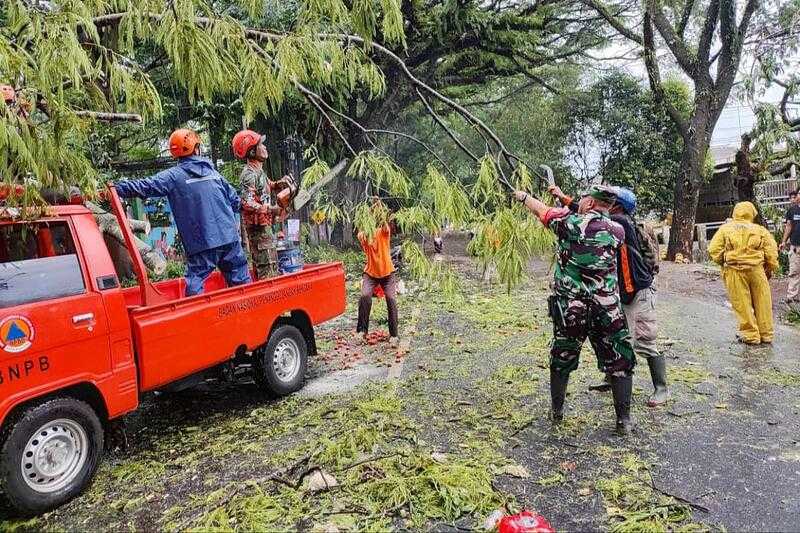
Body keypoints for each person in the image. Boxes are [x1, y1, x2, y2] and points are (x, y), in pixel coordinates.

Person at [514, 185, 636, 434]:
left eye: (582, 200)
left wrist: (524, 197)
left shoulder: (568, 224)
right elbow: (575, 215)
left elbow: (543, 211)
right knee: (619, 359)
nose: (579, 203)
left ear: (590, 203)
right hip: (607, 311)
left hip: (572, 309)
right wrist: (566, 199)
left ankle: (557, 412)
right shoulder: (617, 230)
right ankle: (624, 420)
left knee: (562, 357)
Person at [549, 185, 668, 406]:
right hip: (620, 292)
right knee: (613, 338)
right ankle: (610, 379)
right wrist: (563, 198)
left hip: (639, 291)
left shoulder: (619, 223)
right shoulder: (612, 223)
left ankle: (661, 388)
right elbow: (584, 212)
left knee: (642, 339)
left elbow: (584, 214)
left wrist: (565, 202)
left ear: (617, 206)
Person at [114, 128, 250, 296]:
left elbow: (145, 186)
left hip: (202, 243)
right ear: (196, 148)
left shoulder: (173, 177)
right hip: (229, 239)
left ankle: (198, 320)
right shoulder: (214, 173)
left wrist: (115, 188)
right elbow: (236, 202)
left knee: (195, 285)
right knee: (243, 285)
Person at [708, 201, 779, 344]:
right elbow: (771, 252)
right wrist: (770, 268)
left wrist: (724, 260)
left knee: (742, 304)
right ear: (752, 213)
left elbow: (713, 249)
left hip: (734, 271)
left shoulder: (725, 229)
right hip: (757, 271)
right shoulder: (760, 230)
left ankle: (751, 335)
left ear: (735, 213)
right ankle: (766, 334)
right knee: (763, 302)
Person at [232, 129, 282, 279]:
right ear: (252, 152)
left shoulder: (259, 171)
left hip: (265, 227)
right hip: (258, 231)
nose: (265, 148)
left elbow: (265, 186)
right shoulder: (249, 174)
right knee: (267, 270)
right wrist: (269, 209)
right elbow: (247, 202)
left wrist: (278, 184)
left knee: (272, 264)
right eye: (261, 145)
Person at [357, 221, 399, 348]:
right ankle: (362, 331)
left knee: (391, 299)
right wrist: (365, 215)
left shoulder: (383, 232)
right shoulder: (363, 236)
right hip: (370, 273)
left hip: (387, 273)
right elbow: (360, 229)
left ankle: (394, 335)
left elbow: (385, 225)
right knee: (365, 296)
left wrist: (378, 206)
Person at [780, 189, 800, 303]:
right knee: (794, 272)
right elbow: (789, 226)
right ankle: (792, 297)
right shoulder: (792, 210)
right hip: (796, 247)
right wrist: (783, 241)